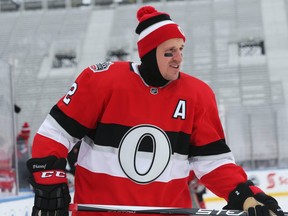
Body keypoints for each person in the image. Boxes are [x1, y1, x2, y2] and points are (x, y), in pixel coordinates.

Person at [26, 5, 284, 216]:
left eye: (181, 49)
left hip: (169, 212)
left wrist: (245, 193)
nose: (178, 59)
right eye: (169, 52)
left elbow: (212, 162)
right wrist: (48, 175)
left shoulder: (198, 95)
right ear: (148, 54)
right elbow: (56, 132)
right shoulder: (101, 81)